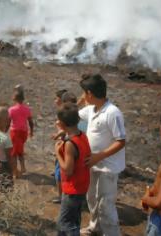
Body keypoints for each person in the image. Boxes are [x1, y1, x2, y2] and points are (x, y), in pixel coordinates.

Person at [79, 74, 126, 236]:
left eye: (84, 93)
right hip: (93, 164)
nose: (83, 97)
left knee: (106, 205)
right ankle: (95, 227)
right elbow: (72, 112)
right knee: (91, 198)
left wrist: (99, 156)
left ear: (90, 94)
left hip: (108, 167)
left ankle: (112, 233)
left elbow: (121, 141)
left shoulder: (113, 113)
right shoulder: (91, 110)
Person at [55, 103, 91, 236]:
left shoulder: (70, 144)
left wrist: (58, 153)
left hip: (72, 189)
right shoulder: (83, 136)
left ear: (63, 124)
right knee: (74, 219)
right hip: (82, 185)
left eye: (58, 120)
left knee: (64, 223)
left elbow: (67, 170)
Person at [8, 89, 34, 178]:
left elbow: (8, 122)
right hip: (24, 132)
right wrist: (31, 131)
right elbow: (30, 121)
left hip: (15, 132)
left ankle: (15, 172)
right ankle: (22, 168)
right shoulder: (27, 109)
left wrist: (4, 131)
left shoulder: (11, 110)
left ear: (14, 98)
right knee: (20, 150)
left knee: (14, 153)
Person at [51, 89, 68, 204]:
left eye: (56, 98)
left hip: (64, 145)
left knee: (59, 174)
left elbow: (66, 130)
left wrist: (58, 134)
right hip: (64, 143)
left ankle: (61, 196)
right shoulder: (68, 112)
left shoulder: (64, 114)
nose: (55, 100)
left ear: (62, 101)